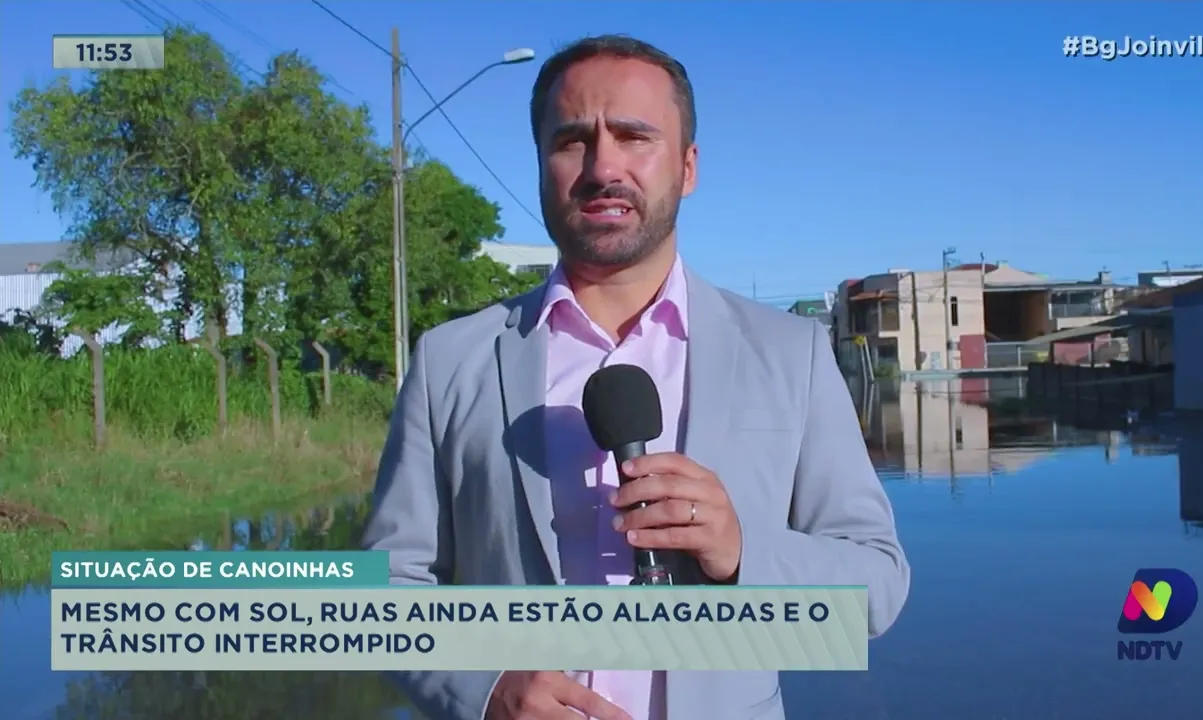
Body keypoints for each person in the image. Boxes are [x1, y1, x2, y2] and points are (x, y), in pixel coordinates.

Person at [363, 34, 910, 720]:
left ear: (687, 168)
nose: (602, 167)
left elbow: (878, 591)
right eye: (571, 141)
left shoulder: (789, 353)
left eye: (633, 136)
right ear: (540, 164)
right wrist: (485, 684)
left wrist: (744, 552)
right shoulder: (450, 361)